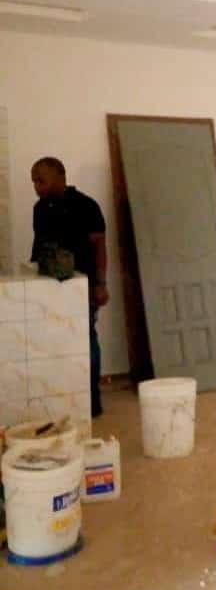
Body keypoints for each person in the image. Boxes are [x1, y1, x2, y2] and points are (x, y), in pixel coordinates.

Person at [30, 157, 109, 418]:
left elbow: (100, 248)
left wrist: (100, 284)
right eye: (34, 181)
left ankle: (92, 400)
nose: (36, 186)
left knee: (86, 338)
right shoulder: (40, 209)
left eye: (41, 180)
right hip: (50, 288)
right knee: (56, 341)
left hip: (83, 287)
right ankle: (64, 399)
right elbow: (38, 248)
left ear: (60, 177)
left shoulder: (86, 206)